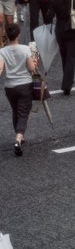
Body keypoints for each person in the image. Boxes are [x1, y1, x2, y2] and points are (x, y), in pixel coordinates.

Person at [0, 23, 36, 156]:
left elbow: (0, 68)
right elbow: (32, 69)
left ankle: (19, 135)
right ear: (18, 35)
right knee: (23, 113)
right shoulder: (25, 49)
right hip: (25, 85)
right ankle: (18, 139)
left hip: (10, 87)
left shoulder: (2, 51)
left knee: (16, 110)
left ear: (7, 36)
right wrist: (34, 62)